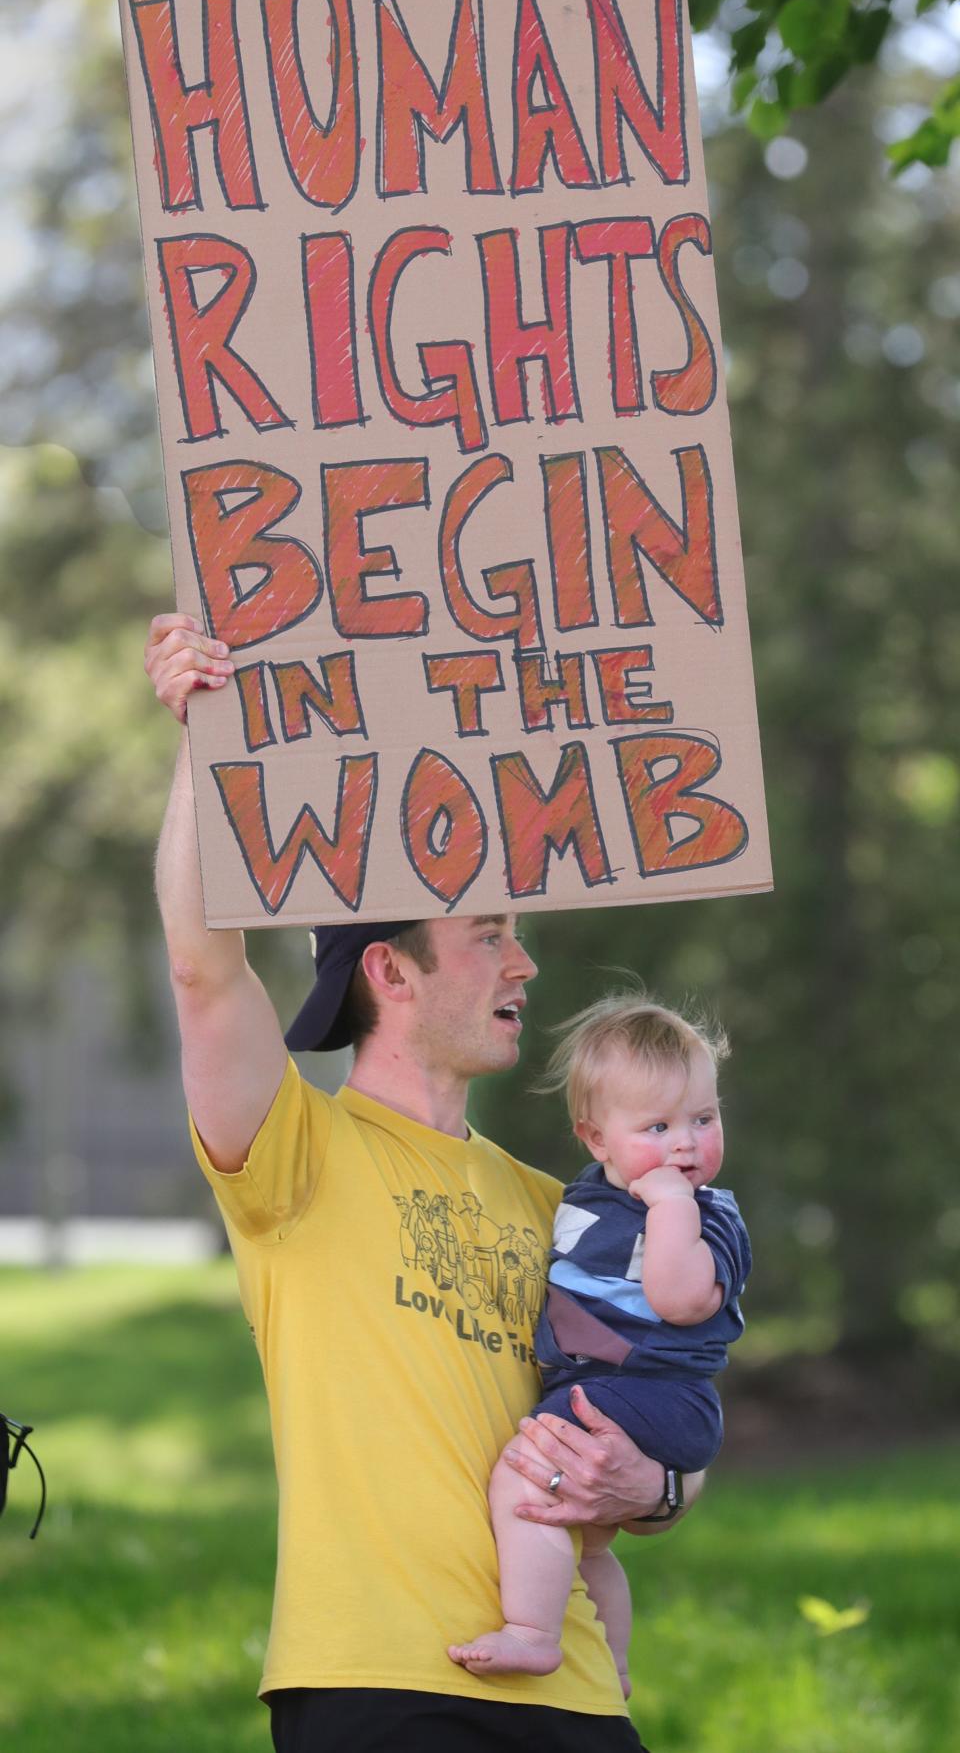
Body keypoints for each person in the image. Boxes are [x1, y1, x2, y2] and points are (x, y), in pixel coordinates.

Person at [145, 612, 705, 1753]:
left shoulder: (567, 1205)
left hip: (575, 1687)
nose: (524, 962)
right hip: (376, 1684)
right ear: (391, 971)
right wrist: (208, 731)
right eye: (489, 933)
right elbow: (205, 971)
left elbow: (674, 1421)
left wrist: (648, 1482)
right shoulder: (295, 1156)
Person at [449, 996, 750, 1696]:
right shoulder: (589, 1196)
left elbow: (680, 1299)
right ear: (596, 1138)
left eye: (703, 1119)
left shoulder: (711, 1216)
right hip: (610, 1386)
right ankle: (609, 1664)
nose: (684, 1143)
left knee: (526, 1475)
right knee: (584, 1543)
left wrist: (672, 1206)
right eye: (657, 1125)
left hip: (660, 1393)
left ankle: (531, 1633)